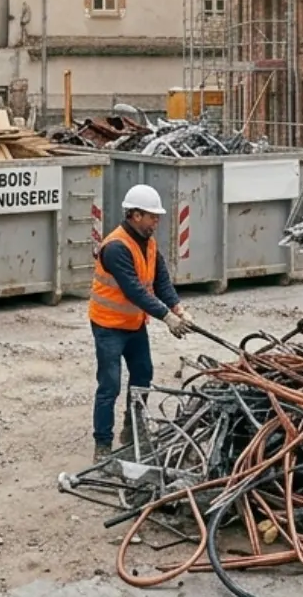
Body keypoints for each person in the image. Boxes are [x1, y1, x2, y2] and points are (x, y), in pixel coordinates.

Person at [89, 183, 195, 461]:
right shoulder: (115, 247)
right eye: (152, 216)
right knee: (109, 385)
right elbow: (133, 289)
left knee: (142, 378)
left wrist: (177, 307)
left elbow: (160, 280)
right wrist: (167, 317)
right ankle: (102, 444)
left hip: (134, 325)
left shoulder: (148, 243)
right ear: (135, 215)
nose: (156, 221)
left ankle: (132, 429)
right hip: (109, 326)